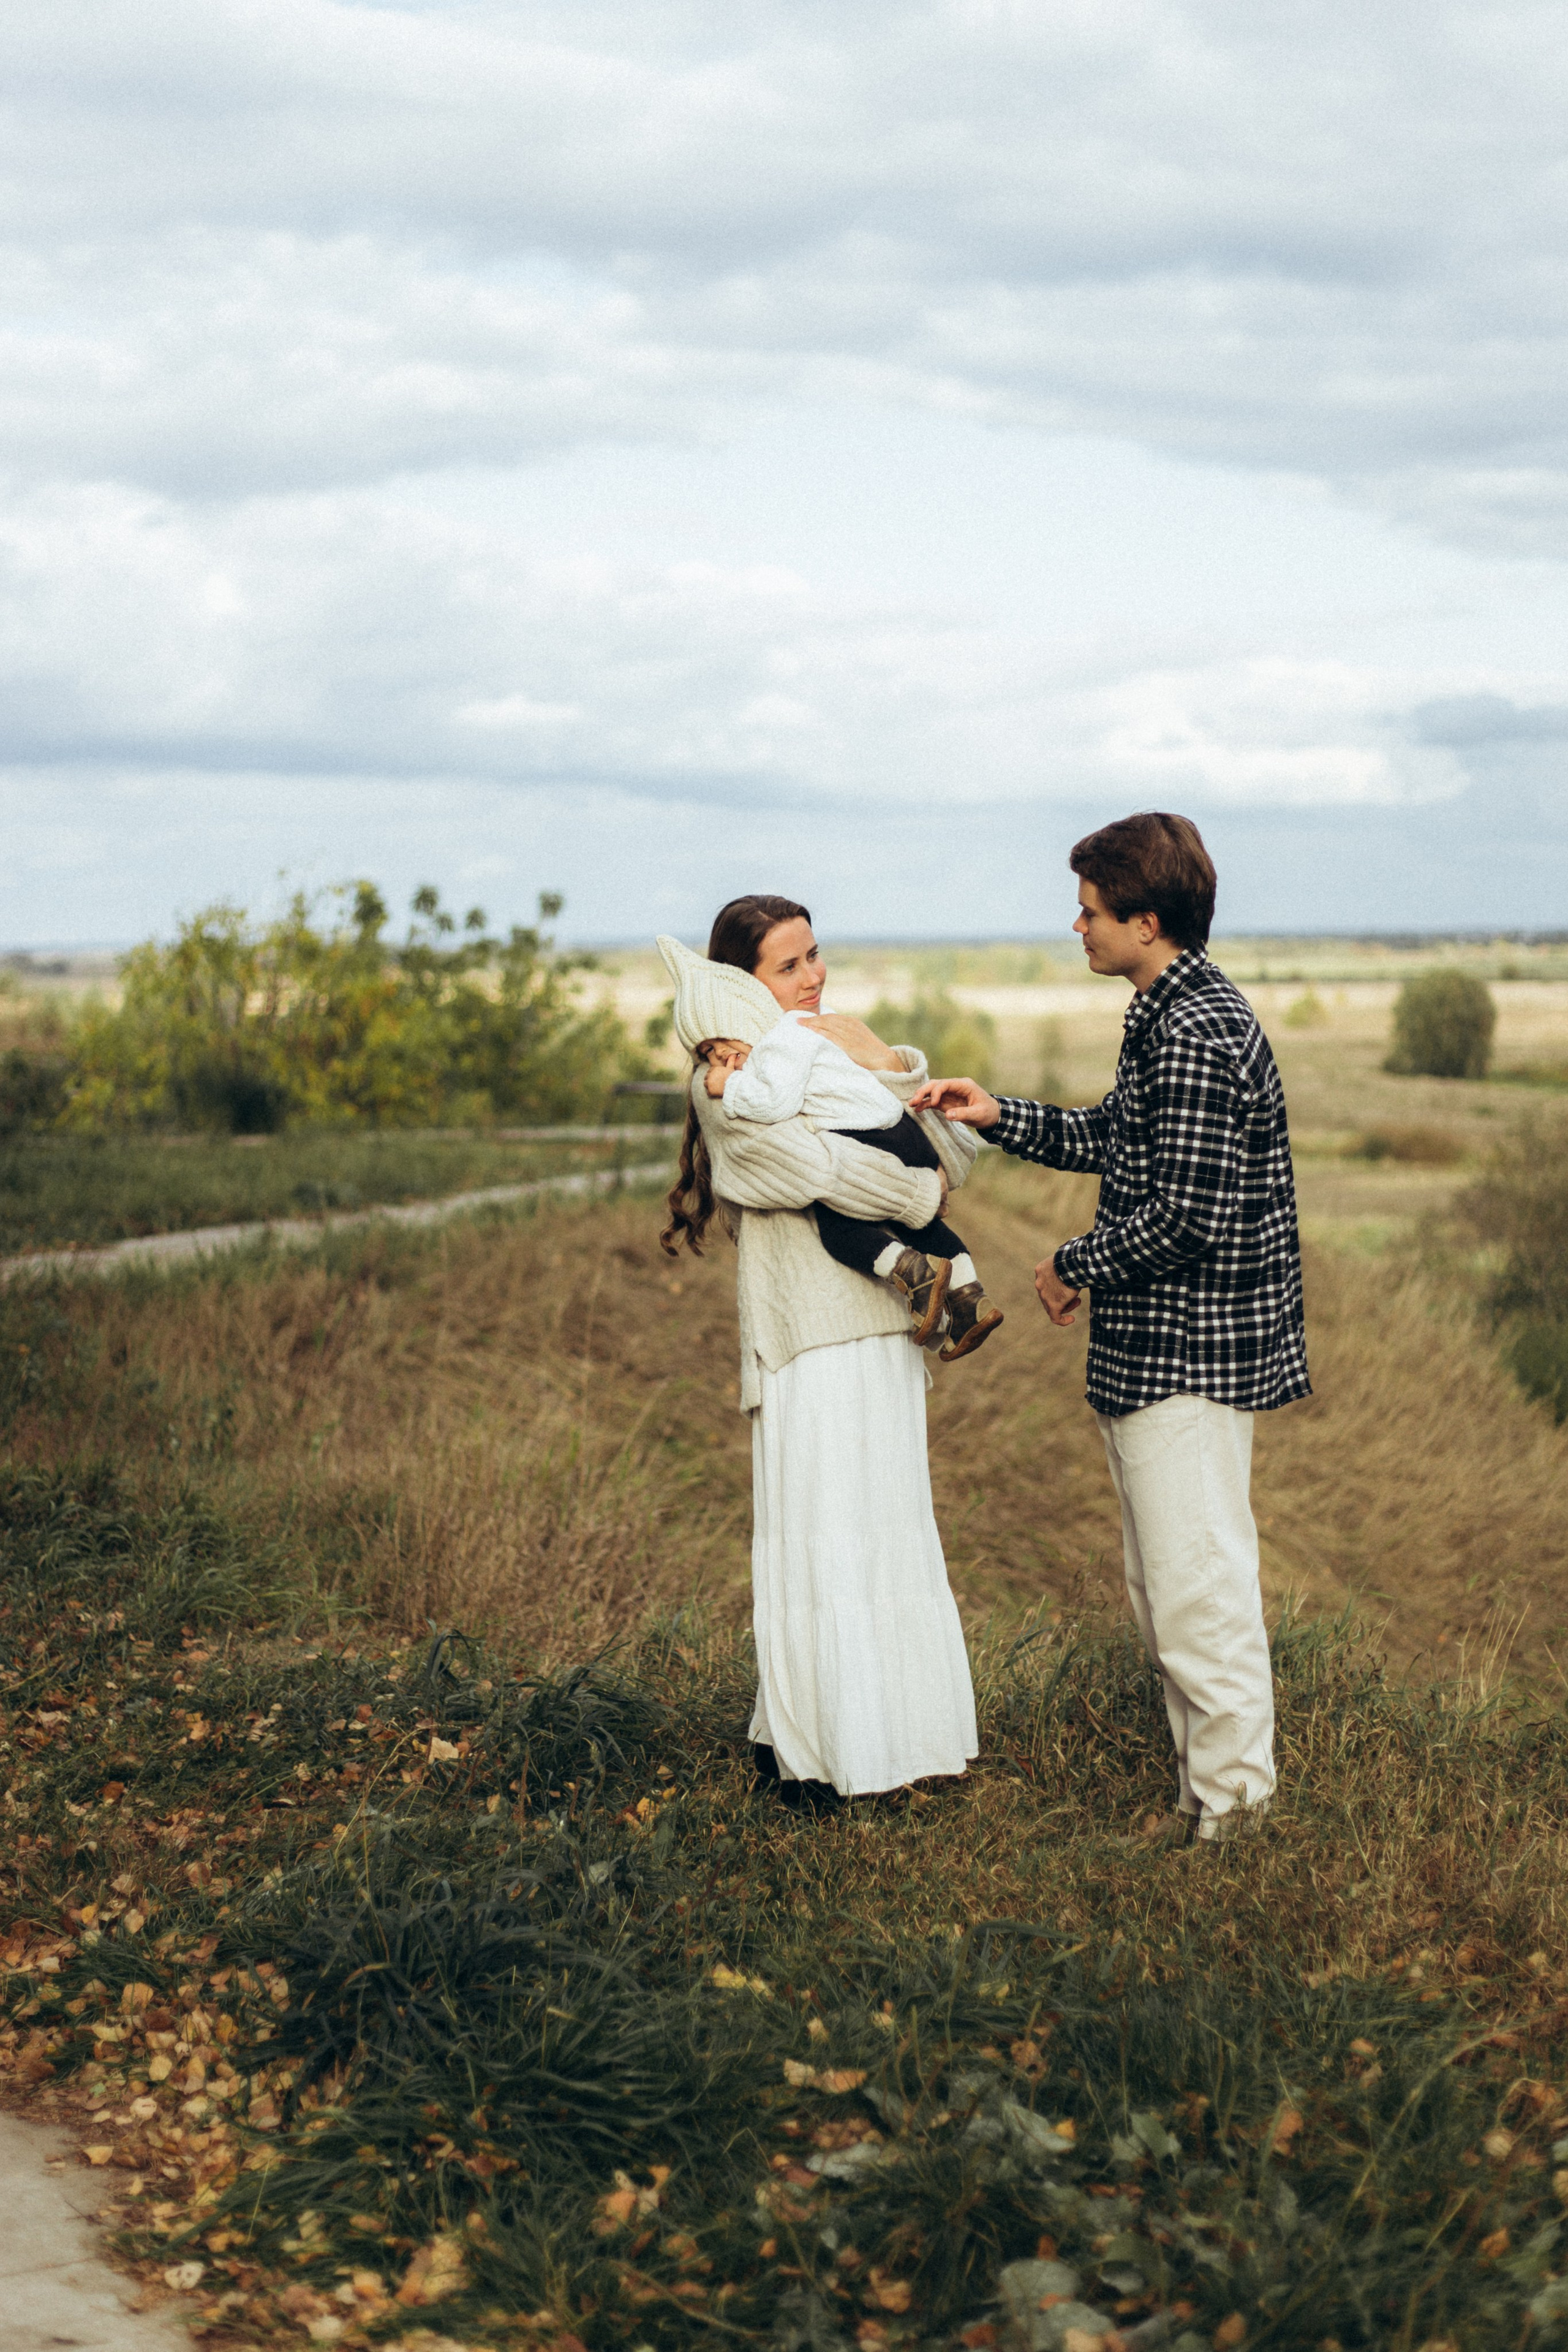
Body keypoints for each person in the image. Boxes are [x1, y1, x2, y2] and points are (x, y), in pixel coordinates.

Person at [912, 813, 1310, 1846]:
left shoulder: (1194, 1032)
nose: (1075, 925)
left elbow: (1190, 1217)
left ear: (1145, 920)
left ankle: (1236, 1818)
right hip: (1157, 1350)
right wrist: (998, 1111)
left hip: (1190, 1351)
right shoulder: (1165, 1013)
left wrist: (1068, 1264)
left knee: (1200, 1590)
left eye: (1090, 910)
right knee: (1168, 1586)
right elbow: (1117, 1138)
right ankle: (1202, 1800)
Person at [659, 895, 979, 1809]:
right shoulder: (721, 1078)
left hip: (885, 1327)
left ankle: (898, 1739)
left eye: (814, 957)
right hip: (805, 1337)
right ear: (740, 986)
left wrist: (888, 1063)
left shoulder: (831, 1048)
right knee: (821, 1540)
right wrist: (915, 1195)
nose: (813, 979)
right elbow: (805, 1172)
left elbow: (956, 1155)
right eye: (787, 967)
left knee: (885, 1534)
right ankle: (814, 1756)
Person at [669, 1000, 1004, 1362]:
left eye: (719, 1040)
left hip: (871, 1136)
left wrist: (731, 1084)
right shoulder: (814, 1026)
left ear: (744, 1019)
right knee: (918, 1225)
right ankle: (970, 1296)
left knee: (838, 1231)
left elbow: (775, 1104)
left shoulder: (780, 1040)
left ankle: (915, 1273)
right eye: (706, 1051)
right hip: (903, 1132)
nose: (718, 1054)